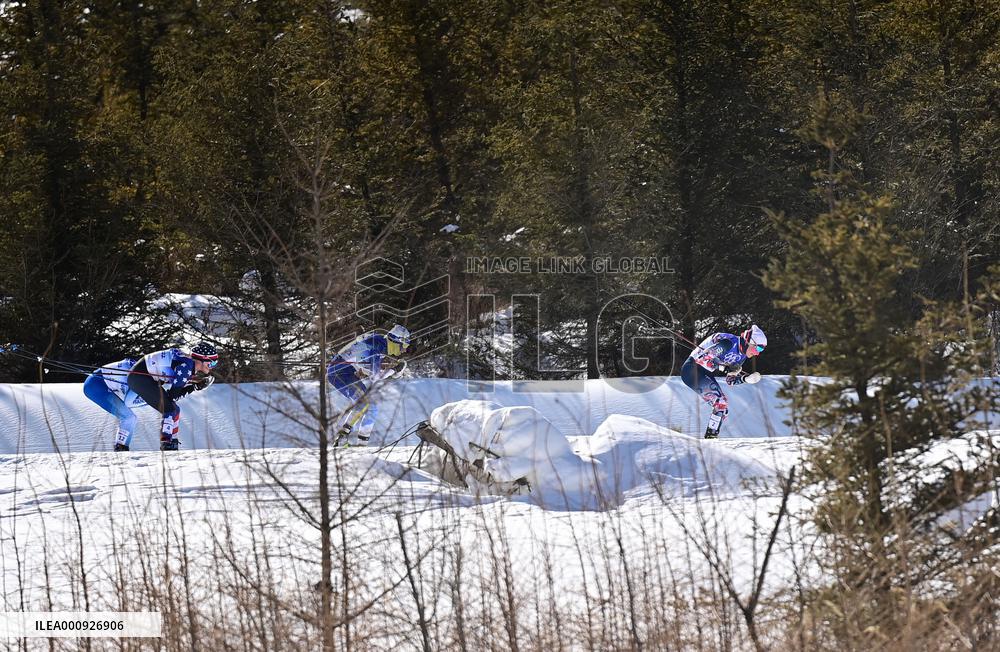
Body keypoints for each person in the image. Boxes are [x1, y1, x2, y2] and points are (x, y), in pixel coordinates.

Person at [126, 342, 219, 451]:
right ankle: (166, 442)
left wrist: (194, 385)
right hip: (139, 378)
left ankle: (172, 440)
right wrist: (194, 387)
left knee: (175, 409)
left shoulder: (187, 362)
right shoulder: (185, 367)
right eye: (212, 363)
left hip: (141, 375)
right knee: (169, 408)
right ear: (202, 359)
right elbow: (173, 396)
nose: (213, 367)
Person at [327, 324, 410, 445]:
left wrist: (392, 371)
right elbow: (375, 378)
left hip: (343, 371)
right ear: (397, 341)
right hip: (340, 372)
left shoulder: (380, 343)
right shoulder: (378, 345)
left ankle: (344, 439)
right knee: (369, 406)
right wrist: (394, 371)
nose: (405, 350)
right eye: (405, 346)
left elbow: (367, 369)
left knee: (368, 406)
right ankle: (355, 443)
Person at [681, 324, 766, 439]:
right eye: (758, 348)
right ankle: (710, 439)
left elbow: (730, 380)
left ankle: (711, 438)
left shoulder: (742, 356)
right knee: (720, 402)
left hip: (704, 373)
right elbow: (702, 359)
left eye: (761, 349)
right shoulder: (729, 343)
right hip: (692, 369)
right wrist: (723, 368)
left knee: (722, 408)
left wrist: (745, 379)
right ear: (748, 341)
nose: (758, 353)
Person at [82, 356, 147, 451]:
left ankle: (121, 446)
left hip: (95, 382)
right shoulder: (137, 376)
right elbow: (129, 402)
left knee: (129, 417)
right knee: (128, 417)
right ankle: (121, 447)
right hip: (96, 385)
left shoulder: (139, 368)